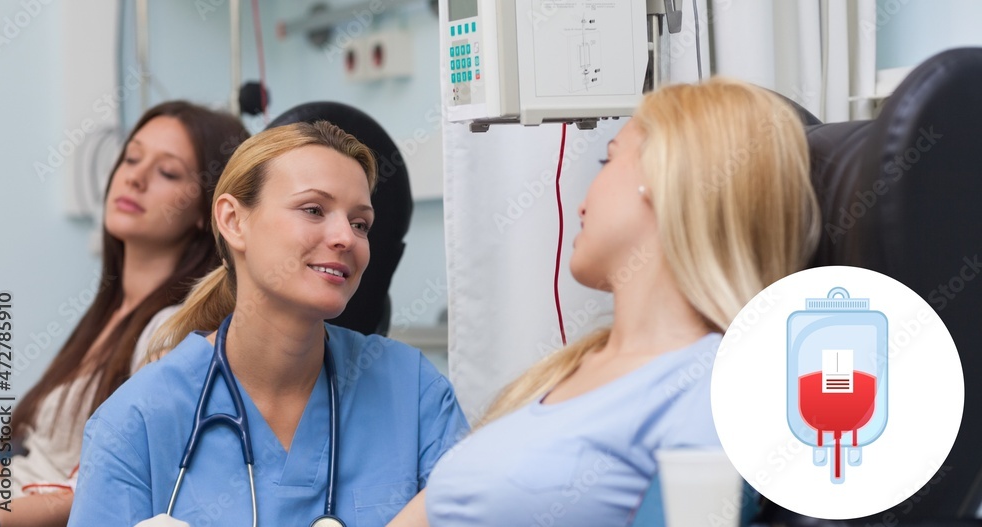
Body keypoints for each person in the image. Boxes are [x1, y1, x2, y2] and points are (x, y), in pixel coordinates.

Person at [389, 77, 822, 526]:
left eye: (608, 158)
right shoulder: (565, 372)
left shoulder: (711, 385)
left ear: (662, 177)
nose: (582, 204)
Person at [66, 121, 469, 527]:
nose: (346, 238)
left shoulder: (413, 391)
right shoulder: (136, 422)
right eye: (313, 210)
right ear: (233, 221)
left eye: (360, 223)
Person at [0, 101, 248, 527]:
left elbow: (109, 491)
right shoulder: (109, 313)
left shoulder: (174, 332)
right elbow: (21, 461)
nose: (134, 178)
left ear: (209, 212)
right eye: (131, 158)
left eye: (168, 172)